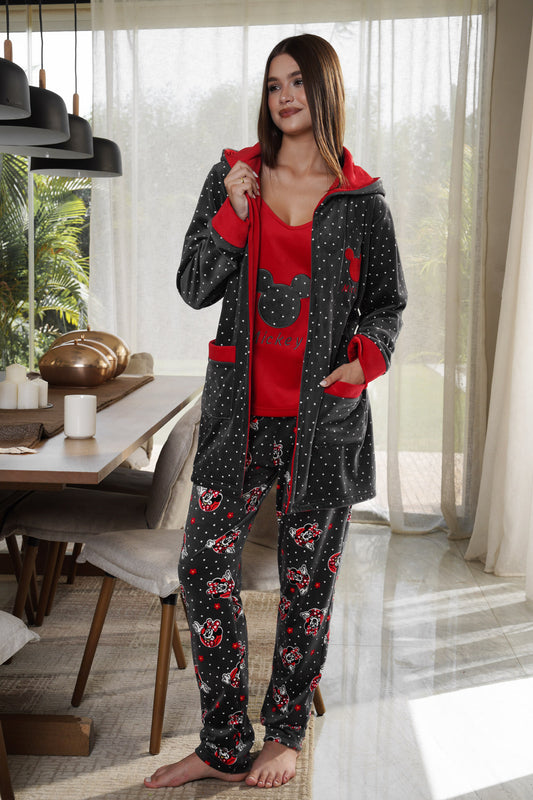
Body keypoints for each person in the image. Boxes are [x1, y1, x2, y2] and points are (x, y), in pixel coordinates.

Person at [145, 33, 406, 791]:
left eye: (297, 82)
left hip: (323, 424)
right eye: (272, 84)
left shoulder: (361, 200)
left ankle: (284, 734)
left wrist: (366, 358)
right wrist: (231, 214)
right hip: (240, 418)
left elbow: (387, 303)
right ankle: (224, 740)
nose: (284, 96)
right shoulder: (233, 177)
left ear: (325, 90)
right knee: (203, 566)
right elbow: (194, 285)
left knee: (306, 583)